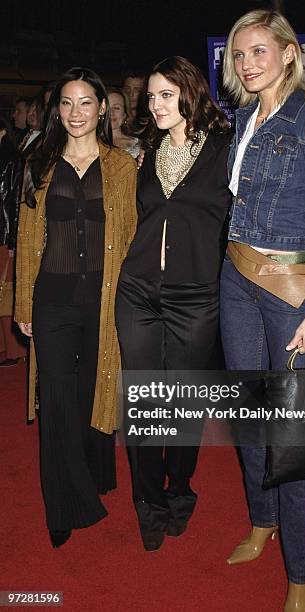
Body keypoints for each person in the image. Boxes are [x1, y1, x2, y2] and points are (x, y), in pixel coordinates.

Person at [220, 10, 305, 612]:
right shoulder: (243, 118)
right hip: (236, 281)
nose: (247, 64)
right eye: (240, 54)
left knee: (294, 435)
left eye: (259, 52)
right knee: (249, 419)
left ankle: (302, 575)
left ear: (289, 54)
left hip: (290, 290)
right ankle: (261, 521)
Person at [15, 67, 137, 549]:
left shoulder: (123, 166)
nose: (76, 113)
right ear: (55, 110)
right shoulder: (39, 163)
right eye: (66, 103)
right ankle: (62, 506)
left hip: (104, 303)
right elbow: (27, 241)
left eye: (86, 103)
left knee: (93, 395)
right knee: (57, 403)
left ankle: (92, 474)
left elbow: (128, 239)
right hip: (53, 302)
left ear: (103, 108)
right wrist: (23, 301)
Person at [115, 56, 232, 552]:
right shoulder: (148, 152)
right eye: (152, 96)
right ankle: (148, 501)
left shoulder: (225, 150)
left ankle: (179, 488)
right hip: (138, 291)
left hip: (197, 297)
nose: (157, 105)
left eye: (167, 95)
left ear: (190, 94)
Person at [0, 115, 25, 366]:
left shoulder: (9, 158)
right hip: (3, 231)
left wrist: (11, 239)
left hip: (3, 233)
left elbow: (10, 201)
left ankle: (14, 351)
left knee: (6, 294)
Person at [107, 88, 141, 158]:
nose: (111, 113)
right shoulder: (90, 143)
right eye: (107, 108)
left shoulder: (138, 145)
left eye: (116, 108)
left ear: (125, 114)